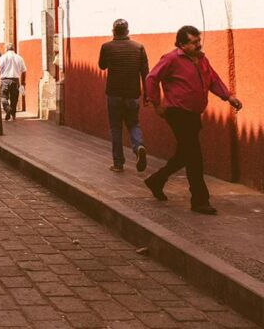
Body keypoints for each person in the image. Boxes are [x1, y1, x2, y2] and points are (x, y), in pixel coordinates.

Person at [144, 26, 243, 215]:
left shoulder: (201, 59)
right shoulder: (171, 59)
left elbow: (213, 80)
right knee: (194, 156)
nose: (199, 45)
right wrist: (156, 104)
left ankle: (156, 180)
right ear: (182, 44)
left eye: (199, 41)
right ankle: (199, 200)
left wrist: (228, 97)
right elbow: (151, 78)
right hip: (177, 112)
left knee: (185, 154)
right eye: (194, 42)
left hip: (193, 114)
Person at [98, 19, 149, 173]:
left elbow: (102, 66)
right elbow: (145, 73)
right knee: (134, 124)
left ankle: (118, 164)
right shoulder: (139, 48)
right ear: (127, 31)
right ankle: (138, 146)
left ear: (113, 31)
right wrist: (147, 94)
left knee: (115, 128)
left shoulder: (107, 47)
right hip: (132, 93)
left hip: (114, 93)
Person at [0, 43, 26, 121]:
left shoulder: (3, 57)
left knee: (3, 97)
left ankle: (7, 109)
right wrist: (23, 82)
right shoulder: (19, 58)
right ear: (13, 48)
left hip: (5, 80)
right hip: (15, 80)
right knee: (14, 98)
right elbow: (24, 71)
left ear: (6, 49)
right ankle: (13, 114)